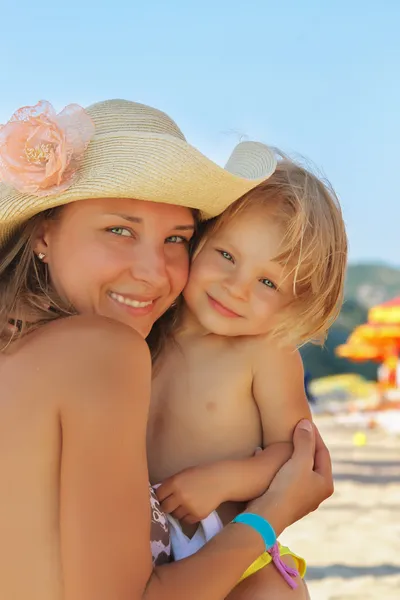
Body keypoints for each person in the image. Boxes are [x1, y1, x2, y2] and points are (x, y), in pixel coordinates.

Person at [0, 97, 333, 600]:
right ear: (43, 231)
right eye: (119, 229)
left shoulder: (24, 353)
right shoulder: (104, 350)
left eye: (177, 238)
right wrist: (269, 519)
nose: (154, 273)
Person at [149, 154, 347, 596]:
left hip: (234, 549)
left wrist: (224, 479)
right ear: (198, 239)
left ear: (298, 303)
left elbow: (298, 454)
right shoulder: (148, 331)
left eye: (268, 283)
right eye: (226, 255)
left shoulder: (265, 352)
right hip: (143, 544)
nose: (236, 287)